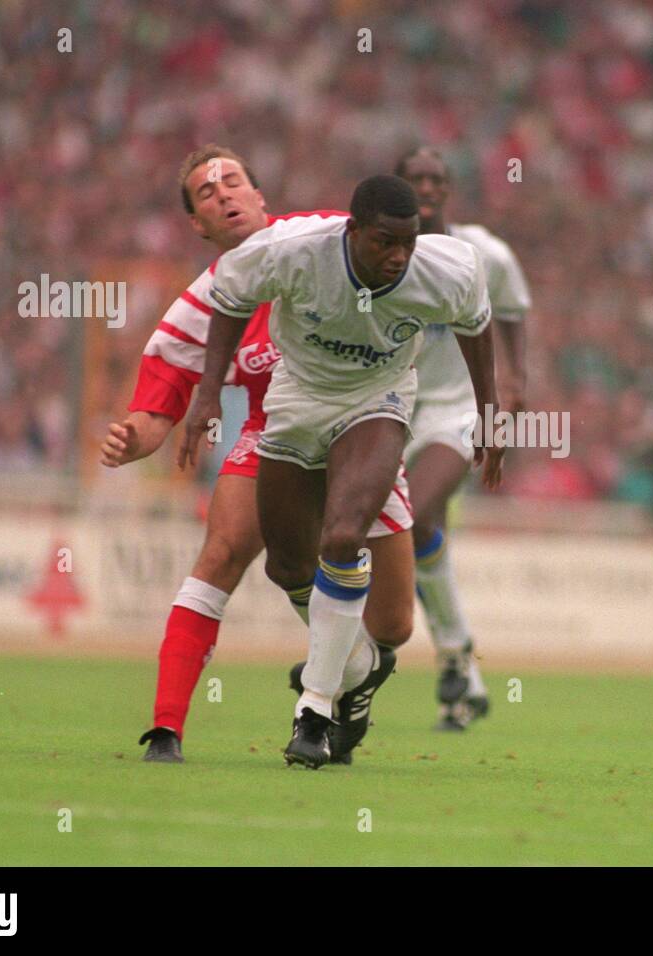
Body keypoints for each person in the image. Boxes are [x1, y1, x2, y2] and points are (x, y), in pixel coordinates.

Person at [102, 145, 414, 764]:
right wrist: (136, 438)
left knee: (395, 625)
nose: (224, 194)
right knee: (221, 553)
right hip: (276, 438)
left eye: (234, 182)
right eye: (207, 193)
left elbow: (405, 273)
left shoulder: (327, 240)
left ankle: (353, 671)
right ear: (198, 223)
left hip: (365, 428)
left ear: (260, 195)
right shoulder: (201, 302)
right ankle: (166, 730)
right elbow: (160, 404)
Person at [179, 174, 502, 769]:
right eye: (385, 242)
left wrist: (489, 412)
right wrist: (205, 396)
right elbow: (229, 299)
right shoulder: (293, 250)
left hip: (378, 401)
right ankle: (357, 665)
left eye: (408, 241)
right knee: (285, 564)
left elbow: (477, 325)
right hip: (297, 397)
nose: (399, 255)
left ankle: (315, 708)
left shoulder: (448, 269)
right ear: (352, 231)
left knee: (343, 535)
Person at [395, 146, 531, 729]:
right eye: (414, 178)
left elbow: (513, 309)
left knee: (414, 518)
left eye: (436, 178)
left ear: (449, 189)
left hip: (454, 411)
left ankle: (432, 656)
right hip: (385, 408)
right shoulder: (375, 252)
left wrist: (516, 380)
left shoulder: (485, 253)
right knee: (422, 540)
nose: (426, 186)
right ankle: (463, 674)